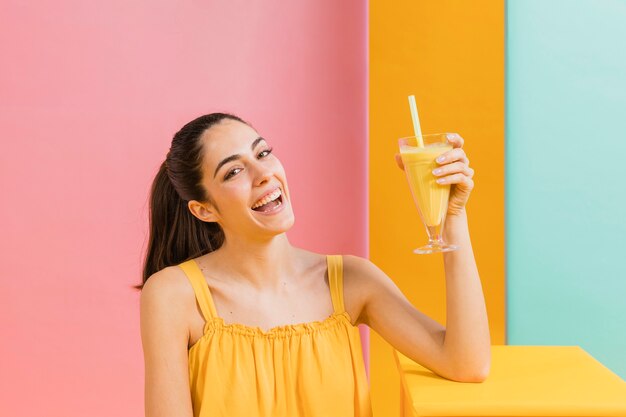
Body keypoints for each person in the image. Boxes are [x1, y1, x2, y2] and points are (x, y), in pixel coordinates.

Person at [138, 113, 490, 417]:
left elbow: (466, 363)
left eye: (263, 153)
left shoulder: (349, 280)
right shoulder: (174, 294)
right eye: (233, 172)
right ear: (204, 209)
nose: (264, 174)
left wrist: (452, 218)